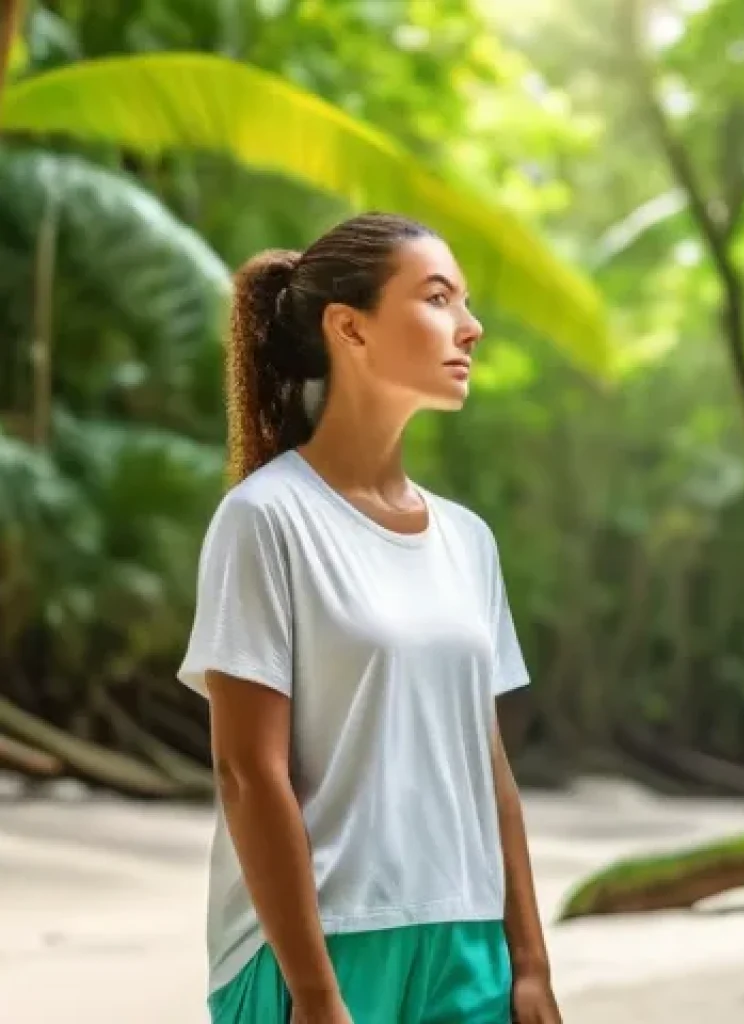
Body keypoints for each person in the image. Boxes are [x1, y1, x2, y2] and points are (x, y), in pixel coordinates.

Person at [177, 212, 561, 1024]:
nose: (470, 326)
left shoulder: (468, 540)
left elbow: (489, 769)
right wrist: (316, 995)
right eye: (438, 298)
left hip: (466, 942)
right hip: (316, 945)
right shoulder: (267, 519)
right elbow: (248, 774)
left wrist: (530, 964)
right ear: (348, 328)